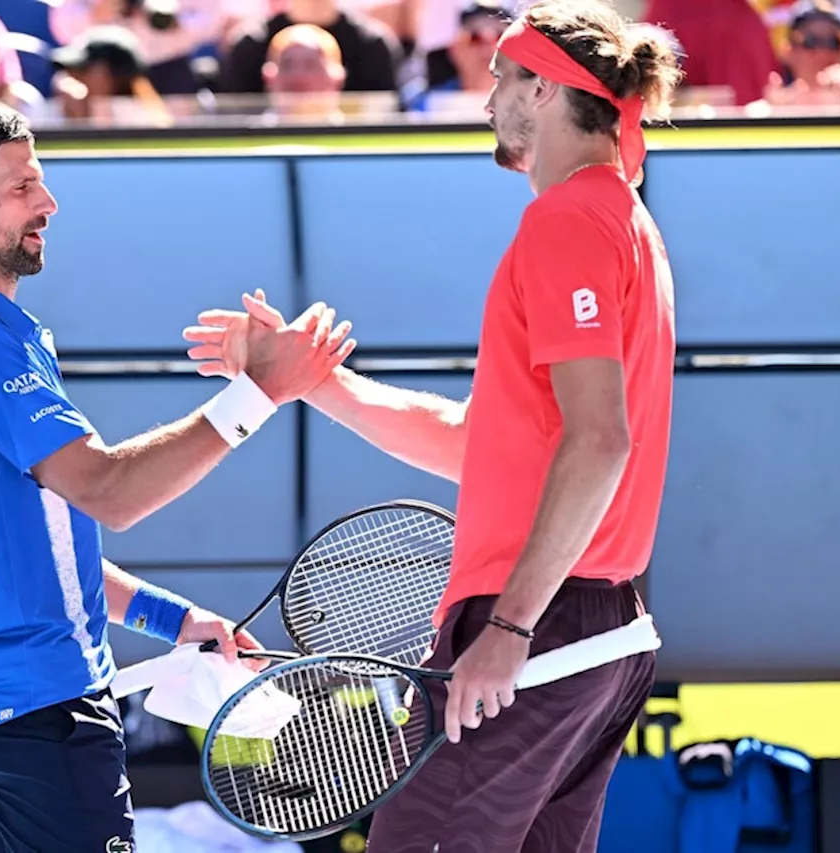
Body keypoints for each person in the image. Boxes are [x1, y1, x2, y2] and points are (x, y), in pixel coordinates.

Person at [184, 1, 682, 849]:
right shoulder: (620, 220)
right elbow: (473, 442)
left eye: (500, 78)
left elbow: (601, 441)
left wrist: (510, 626)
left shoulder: (569, 218)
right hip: (598, 632)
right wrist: (314, 382)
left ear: (545, 88)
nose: (487, 99)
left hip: (544, 629)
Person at [0, 101, 356, 853]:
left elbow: (41, 547)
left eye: (40, 182)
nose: (48, 203)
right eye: (20, 189)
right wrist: (258, 393)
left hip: (12, 716)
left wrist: (177, 621)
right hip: (39, 718)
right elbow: (111, 491)